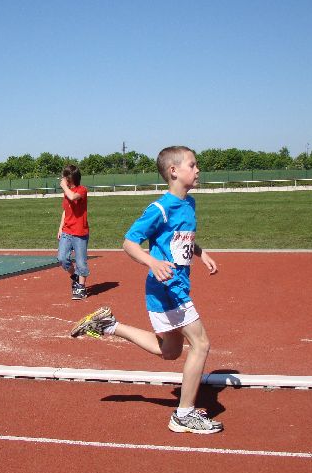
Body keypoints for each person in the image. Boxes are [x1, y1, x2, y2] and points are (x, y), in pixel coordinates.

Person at [70, 146, 222, 434]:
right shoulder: (159, 209)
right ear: (174, 171)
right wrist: (152, 262)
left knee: (170, 351)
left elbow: (181, 239)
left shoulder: (189, 204)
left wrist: (202, 254)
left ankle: (109, 326)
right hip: (168, 288)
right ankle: (184, 415)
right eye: (192, 165)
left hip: (175, 286)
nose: (198, 169)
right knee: (201, 344)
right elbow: (129, 243)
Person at [57, 164, 90, 300]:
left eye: (65, 176)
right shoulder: (67, 192)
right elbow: (66, 211)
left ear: (70, 178)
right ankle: (75, 276)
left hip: (80, 232)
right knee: (62, 258)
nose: (63, 179)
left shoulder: (82, 190)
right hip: (67, 231)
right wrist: (60, 228)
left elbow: (72, 197)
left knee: (81, 262)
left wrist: (64, 187)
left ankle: (81, 288)